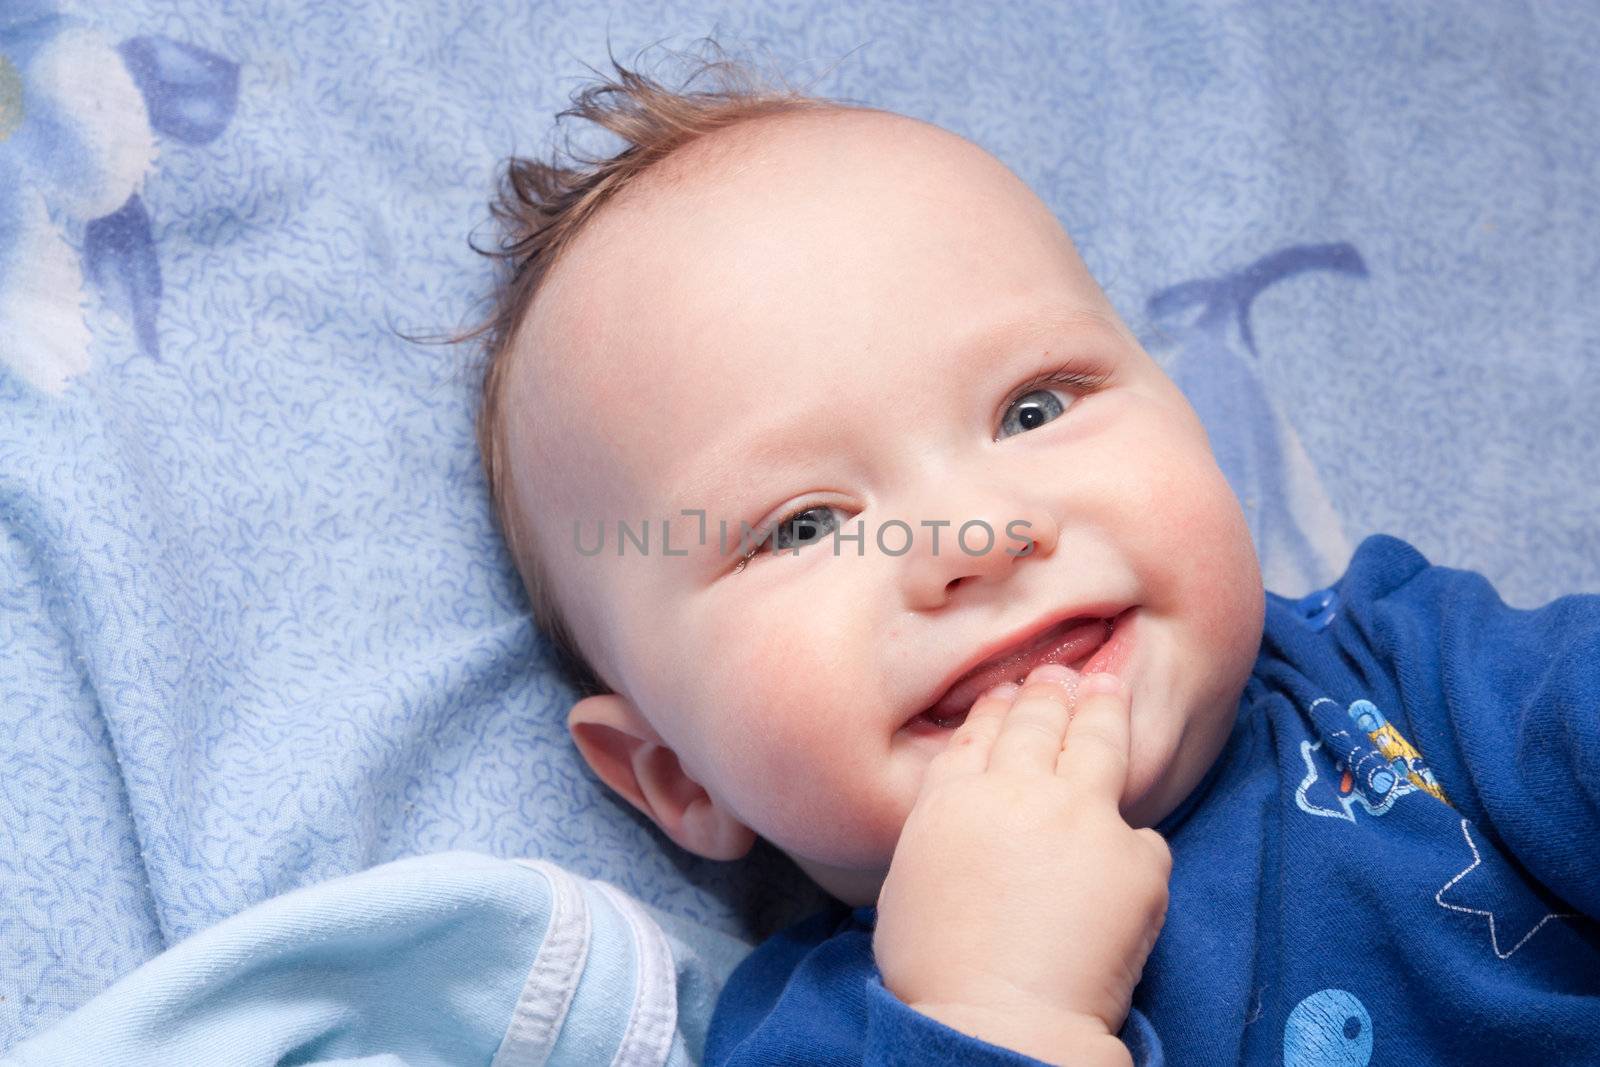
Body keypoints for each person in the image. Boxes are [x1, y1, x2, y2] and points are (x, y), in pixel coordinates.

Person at [464, 40, 1600, 1065]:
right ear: (678, 775)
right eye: (803, 525)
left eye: (1032, 410)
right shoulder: (825, 1040)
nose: (980, 536)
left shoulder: (1416, 677)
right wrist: (995, 1005)